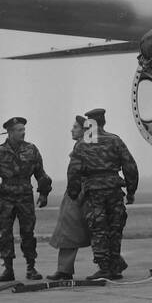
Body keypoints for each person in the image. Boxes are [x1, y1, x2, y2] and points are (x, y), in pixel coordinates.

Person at [66, 107, 139, 280]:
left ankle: (104, 268)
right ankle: (115, 268)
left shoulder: (83, 144)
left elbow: (73, 171)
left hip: (94, 192)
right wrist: (131, 191)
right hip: (114, 190)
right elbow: (130, 166)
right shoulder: (115, 140)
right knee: (115, 228)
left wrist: (74, 192)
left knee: (99, 229)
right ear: (104, 122)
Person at [0, 116, 52, 282]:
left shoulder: (31, 149)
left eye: (24, 130)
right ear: (10, 132)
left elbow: (41, 174)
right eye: (19, 130)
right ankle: (8, 269)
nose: (23, 133)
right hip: (5, 198)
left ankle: (31, 267)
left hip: (25, 196)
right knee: (5, 235)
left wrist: (43, 193)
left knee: (28, 233)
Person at [47, 116, 91, 279]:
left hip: (78, 192)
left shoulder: (83, 146)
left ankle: (64, 270)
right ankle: (114, 264)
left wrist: (74, 194)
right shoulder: (85, 145)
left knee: (69, 230)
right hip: (83, 191)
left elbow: (78, 172)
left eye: (76, 127)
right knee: (96, 229)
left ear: (84, 130)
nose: (72, 129)